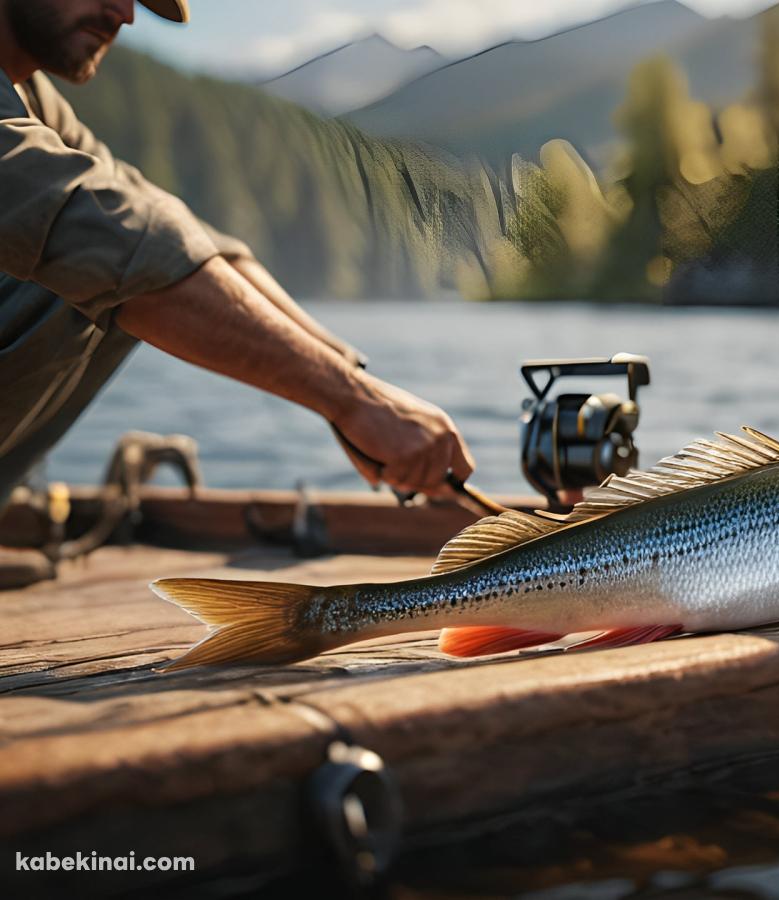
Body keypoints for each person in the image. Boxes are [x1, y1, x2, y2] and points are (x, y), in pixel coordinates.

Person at [0, 0, 477, 568]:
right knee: (90, 269)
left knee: (121, 259)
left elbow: (177, 231)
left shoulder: (33, 99)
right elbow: (121, 242)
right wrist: (355, 404)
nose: (124, 13)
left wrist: (353, 385)